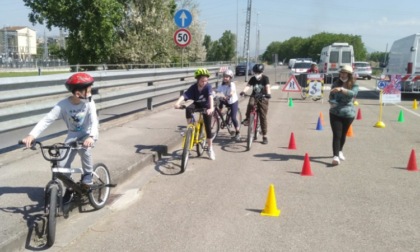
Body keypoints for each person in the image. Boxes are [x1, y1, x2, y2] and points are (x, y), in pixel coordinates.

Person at [21, 72, 99, 202]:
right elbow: (47, 119)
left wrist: (91, 137)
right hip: (72, 135)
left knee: (85, 150)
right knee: (62, 165)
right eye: (88, 91)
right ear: (77, 93)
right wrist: (32, 135)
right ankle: (70, 187)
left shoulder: (89, 103)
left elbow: (94, 121)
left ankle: (87, 174)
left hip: (88, 133)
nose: (90, 94)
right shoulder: (63, 105)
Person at [174, 68, 216, 160]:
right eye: (202, 81)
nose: (204, 82)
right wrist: (177, 103)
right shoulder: (193, 87)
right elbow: (184, 95)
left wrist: (211, 108)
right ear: (198, 80)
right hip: (197, 104)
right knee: (188, 108)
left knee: (208, 128)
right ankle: (190, 128)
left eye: (206, 80)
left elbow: (210, 97)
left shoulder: (208, 87)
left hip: (207, 106)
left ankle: (210, 148)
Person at [328, 65, 359, 165]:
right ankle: (335, 156)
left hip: (348, 113)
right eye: (341, 72)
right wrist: (332, 102)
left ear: (349, 74)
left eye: (345, 73)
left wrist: (342, 89)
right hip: (335, 112)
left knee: (343, 134)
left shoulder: (354, 84)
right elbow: (332, 95)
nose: (342, 74)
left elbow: (352, 94)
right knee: (337, 135)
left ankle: (340, 150)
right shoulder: (336, 83)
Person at [239, 63, 271, 144]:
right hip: (254, 96)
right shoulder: (253, 78)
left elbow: (267, 86)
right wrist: (243, 91)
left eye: (258, 72)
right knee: (250, 104)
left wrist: (268, 94)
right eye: (255, 72)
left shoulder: (265, 78)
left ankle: (265, 136)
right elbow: (248, 86)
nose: (257, 74)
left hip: (263, 97)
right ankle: (247, 119)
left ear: (262, 72)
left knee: (263, 116)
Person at [215, 69, 241, 141]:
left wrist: (229, 96)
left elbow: (232, 91)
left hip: (233, 101)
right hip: (225, 100)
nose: (225, 78)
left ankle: (238, 132)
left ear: (230, 78)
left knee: (233, 117)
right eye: (224, 76)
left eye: (227, 77)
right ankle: (219, 115)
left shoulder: (232, 84)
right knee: (219, 101)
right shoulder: (222, 85)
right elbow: (217, 91)